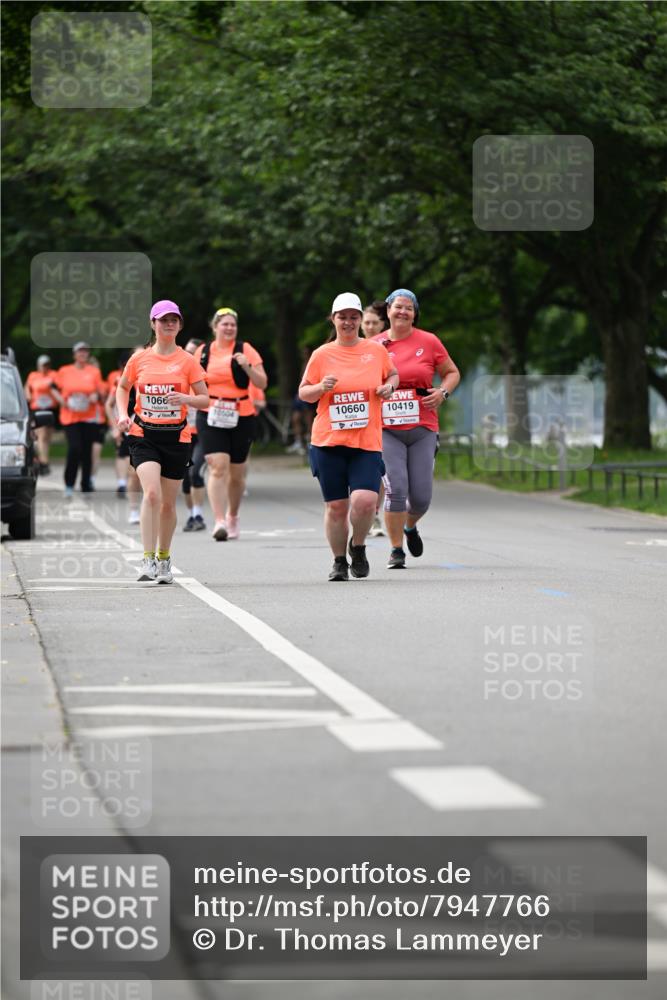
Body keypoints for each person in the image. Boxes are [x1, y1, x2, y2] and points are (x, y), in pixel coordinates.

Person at [299, 292, 398, 581]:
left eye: (353, 316)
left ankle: (358, 546)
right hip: (328, 442)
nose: (348, 321)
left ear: (359, 320)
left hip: (365, 442)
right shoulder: (322, 354)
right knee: (337, 506)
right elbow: (304, 392)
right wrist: (320, 388)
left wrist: (389, 387)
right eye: (342, 316)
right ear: (333, 319)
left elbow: (393, 375)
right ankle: (339, 561)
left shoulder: (375, 351)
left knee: (366, 501)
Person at [116, 301, 208, 583]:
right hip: (144, 434)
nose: (168, 324)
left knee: (168, 504)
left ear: (179, 325)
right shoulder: (139, 359)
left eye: (173, 320)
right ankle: (147, 560)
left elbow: (205, 399)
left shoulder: (188, 361)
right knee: (152, 494)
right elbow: (123, 387)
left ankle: (164, 558)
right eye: (162, 320)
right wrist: (122, 414)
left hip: (176, 437)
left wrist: (186, 399)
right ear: (153, 324)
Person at [371, 288, 460, 568]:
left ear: (415, 313)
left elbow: (452, 373)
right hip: (386, 428)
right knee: (396, 488)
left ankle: (410, 526)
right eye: (398, 306)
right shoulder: (373, 345)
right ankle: (396, 549)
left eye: (409, 308)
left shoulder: (429, 341)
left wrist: (442, 393)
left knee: (420, 498)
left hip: (423, 425)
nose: (403, 312)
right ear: (387, 310)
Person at [193, 307, 268, 541]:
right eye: (224, 324)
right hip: (211, 413)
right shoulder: (203, 352)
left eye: (232, 324)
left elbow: (262, 383)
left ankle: (233, 515)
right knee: (217, 467)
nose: (229, 328)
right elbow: (191, 381)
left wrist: (246, 366)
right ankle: (219, 521)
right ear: (214, 327)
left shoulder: (246, 349)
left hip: (241, 413)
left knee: (236, 474)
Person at [55, 341, 106, 497]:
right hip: (70, 417)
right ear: (74, 354)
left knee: (86, 452)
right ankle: (69, 484)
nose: (82, 354)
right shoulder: (65, 371)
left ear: (88, 354)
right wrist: (62, 400)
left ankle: (85, 485)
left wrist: (95, 396)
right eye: (79, 351)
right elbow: (52, 387)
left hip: (88, 417)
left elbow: (102, 394)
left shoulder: (94, 372)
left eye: (85, 351)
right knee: (75, 448)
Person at [361, 301, 389, 535]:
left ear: (383, 324)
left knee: (380, 467)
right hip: (358, 417)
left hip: (386, 414)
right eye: (366, 323)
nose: (370, 327)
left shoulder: (386, 349)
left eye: (374, 323)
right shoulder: (348, 347)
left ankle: (375, 513)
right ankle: (363, 511)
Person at [106, 348, 142, 521]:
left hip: (157, 427)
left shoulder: (160, 374)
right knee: (134, 471)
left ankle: (155, 507)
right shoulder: (124, 379)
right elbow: (110, 404)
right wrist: (116, 426)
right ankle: (134, 509)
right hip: (133, 428)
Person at [181, 337, 207, 532]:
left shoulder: (205, 377)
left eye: (194, 353)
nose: (190, 356)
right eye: (187, 352)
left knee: (195, 471)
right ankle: (191, 515)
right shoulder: (177, 374)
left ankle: (198, 514)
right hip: (181, 432)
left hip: (202, 432)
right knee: (184, 477)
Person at [24, 354, 59, 474]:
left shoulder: (53, 375)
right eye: (43, 365)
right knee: (42, 436)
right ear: (38, 366)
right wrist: (28, 395)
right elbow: (27, 387)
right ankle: (44, 462)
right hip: (37, 408)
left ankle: (40, 458)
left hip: (50, 408)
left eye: (47, 365)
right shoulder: (33, 376)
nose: (45, 368)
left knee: (48, 437)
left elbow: (58, 388)